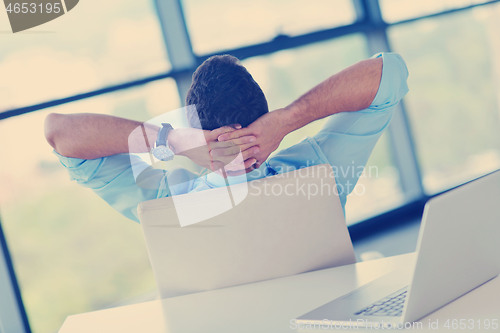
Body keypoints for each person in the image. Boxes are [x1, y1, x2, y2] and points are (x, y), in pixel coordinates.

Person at [45, 52, 409, 222]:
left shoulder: (168, 204)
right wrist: (286, 120)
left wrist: (175, 142)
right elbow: (389, 72)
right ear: (262, 114)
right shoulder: (318, 169)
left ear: (199, 128)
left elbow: (59, 133)